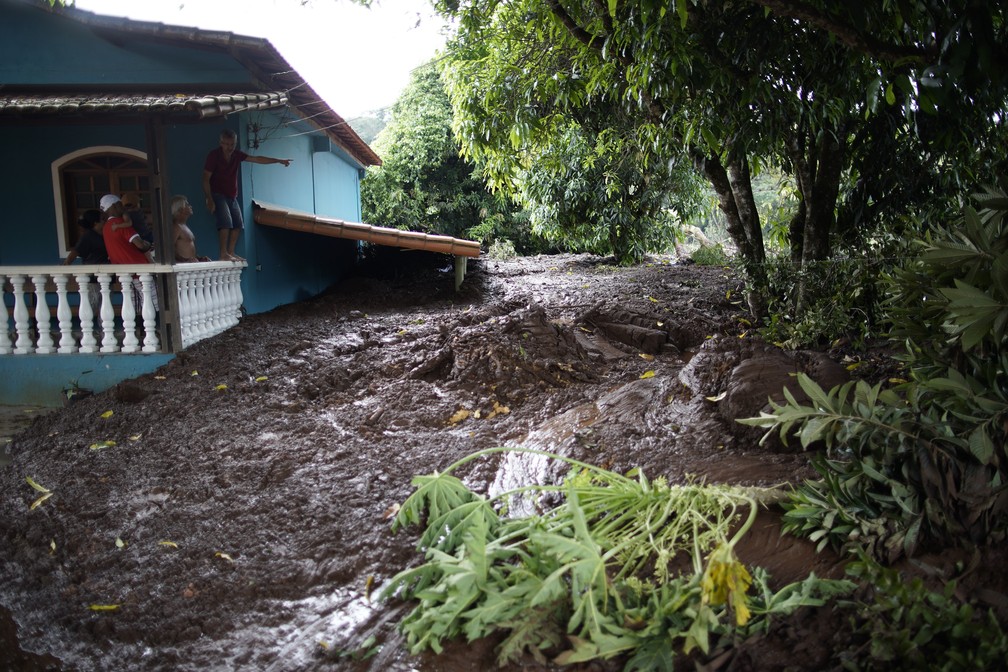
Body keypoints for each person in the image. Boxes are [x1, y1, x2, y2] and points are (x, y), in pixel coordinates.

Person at [202, 128, 292, 262]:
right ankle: (223, 253)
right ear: (221, 143)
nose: (229, 147)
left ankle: (231, 251)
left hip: (231, 195)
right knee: (226, 222)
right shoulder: (214, 155)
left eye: (232, 144)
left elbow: (257, 159)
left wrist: (278, 160)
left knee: (238, 224)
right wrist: (209, 199)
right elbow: (205, 178)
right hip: (217, 194)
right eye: (226, 144)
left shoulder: (237, 155)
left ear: (235, 143)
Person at [100, 194, 157, 312]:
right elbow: (140, 244)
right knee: (151, 304)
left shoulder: (106, 227)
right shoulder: (121, 224)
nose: (123, 208)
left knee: (134, 307)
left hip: (124, 274)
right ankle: (150, 329)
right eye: (120, 204)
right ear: (115, 206)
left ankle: (140, 330)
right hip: (140, 272)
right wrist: (148, 244)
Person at [170, 195, 211, 263]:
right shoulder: (176, 227)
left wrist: (199, 258)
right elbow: (169, 248)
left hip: (191, 264)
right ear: (180, 209)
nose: (190, 206)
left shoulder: (184, 226)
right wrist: (184, 260)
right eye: (187, 204)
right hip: (182, 266)